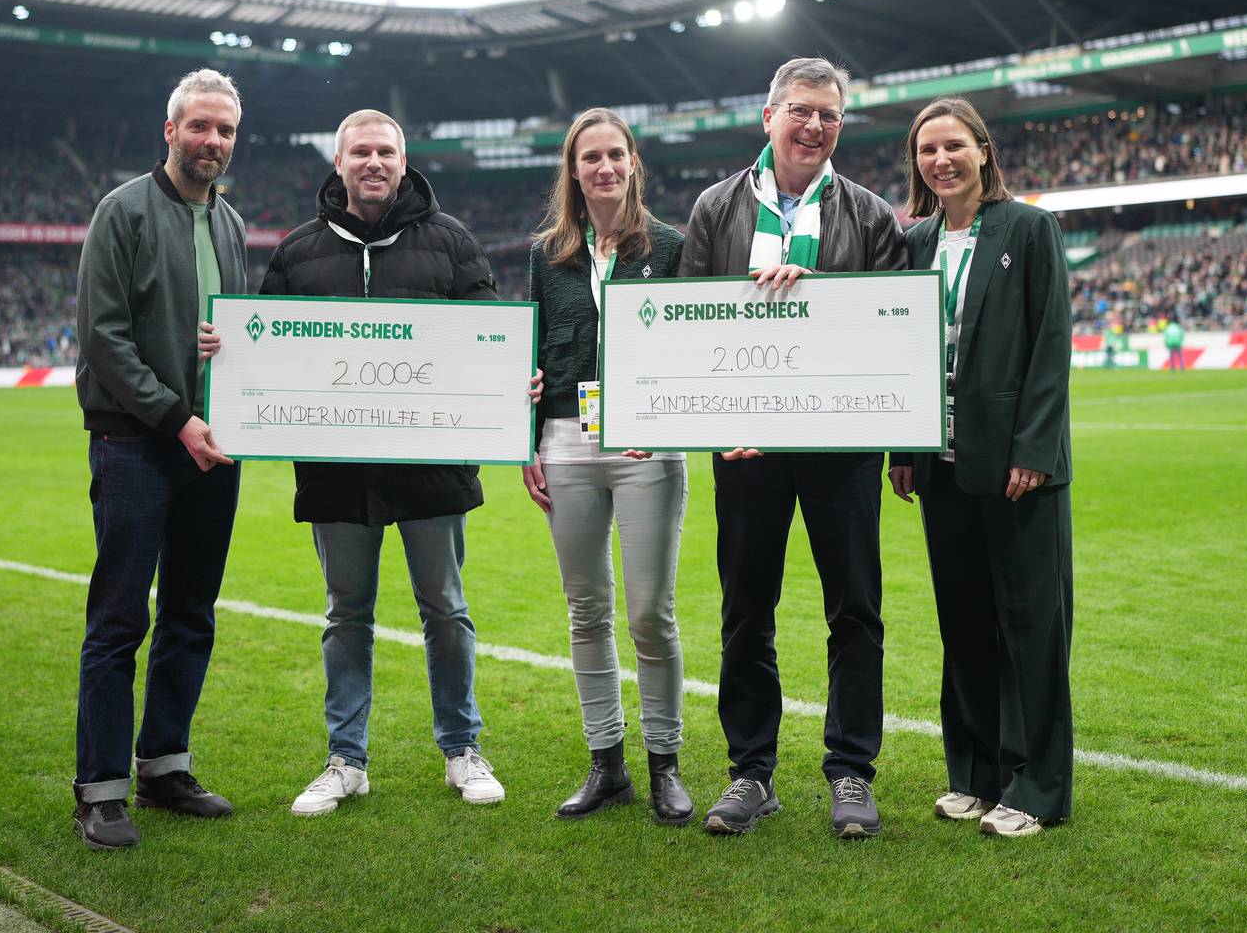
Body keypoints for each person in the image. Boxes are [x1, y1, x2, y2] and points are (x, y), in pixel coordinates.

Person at [262, 108, 524, 816]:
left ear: (403, 163)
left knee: (446, 610)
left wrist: (513, 373)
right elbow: (266, 353)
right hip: (337, 472)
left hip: (431, 467)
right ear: (339, 162)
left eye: (385, 151)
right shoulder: (297, 252)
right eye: (360, 152)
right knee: (346, 615)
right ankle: (346, 760)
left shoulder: (452, 241)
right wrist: (226, 355)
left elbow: (489, 337)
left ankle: (462, 748)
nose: (373, 162)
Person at [679, 57, 906, 839]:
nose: (814, 126)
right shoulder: (715, 208)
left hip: (844, 447)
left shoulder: (870, 214)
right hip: (746, 447)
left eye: (829, 115)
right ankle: (751, 771)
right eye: (801, 111)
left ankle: (851, 771)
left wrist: (825, 300)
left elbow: (895, 333)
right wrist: (713, 425)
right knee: (746, 609)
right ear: (768, 116)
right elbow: (686, 324)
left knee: (856, 609)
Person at [888, 96, 1074, 839]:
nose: (941, 160)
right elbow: (900, 353)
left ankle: (1038, 787)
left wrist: (1034, 450)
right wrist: (904, 448)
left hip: (1014, 467)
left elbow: (1050, 343)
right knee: (962, 624)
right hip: (941, 465)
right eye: (927, 149)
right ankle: (974, 774)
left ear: (983, 150)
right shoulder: (915, 241)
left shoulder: (1027, 229)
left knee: (1029, 629)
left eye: (954, 145)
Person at [72, 69, 248, 850]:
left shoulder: (231, 224)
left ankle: (165, 767)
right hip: (138, 443)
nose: (213, 141)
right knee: (120, 617)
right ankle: (100, 789)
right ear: (170, 130)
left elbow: (233, 331)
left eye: (226, 130)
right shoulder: (123, 210)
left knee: (190, 612)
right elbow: (103, 336)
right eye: (200, 126)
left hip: (214, 447)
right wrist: (177, 417)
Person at [523, 109, 693, 825]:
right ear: (573, 169)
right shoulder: (547, 254)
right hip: (567, 441)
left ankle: (665, 765)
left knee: (651, 612)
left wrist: (663, 418)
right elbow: (531, 349)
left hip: (646, 445)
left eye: (615, 154)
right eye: (590, 157)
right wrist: (529, 441)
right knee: (586, 609)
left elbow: (693, 347)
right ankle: (607, 766)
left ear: (632, 162)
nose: (604, 167)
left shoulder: (671, 245)